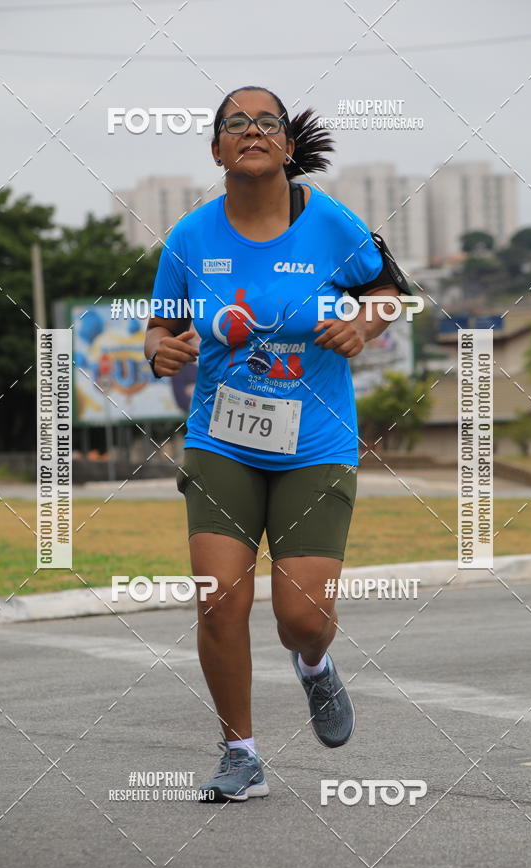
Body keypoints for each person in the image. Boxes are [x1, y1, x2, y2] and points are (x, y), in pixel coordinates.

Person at [144, 85, 404, 803]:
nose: (252, 130)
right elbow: (160, 328)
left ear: (289, 146)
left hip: (316, 442)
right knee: (219, 600)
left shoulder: (331, 224)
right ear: (217, 149)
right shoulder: (191, 238)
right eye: (236, 123)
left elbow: (386, 291)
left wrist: (367, 325)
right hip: (220, 440)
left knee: (301, 619)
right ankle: (240, 754)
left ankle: (315, 667)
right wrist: (162, 351)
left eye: (267, 122)